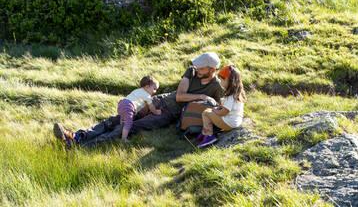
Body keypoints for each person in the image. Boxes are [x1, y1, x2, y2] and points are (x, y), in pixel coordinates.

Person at [54, 52, 223, 149]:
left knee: (129, 127)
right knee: (117, 119)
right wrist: (200, 96)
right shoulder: (191, 72)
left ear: (212, 69)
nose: (198, 69)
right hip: (158, 100)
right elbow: (180, 95)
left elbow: (218, 107)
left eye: (202, 67)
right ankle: (76, 137)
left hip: (167, 114)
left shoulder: (215, 87)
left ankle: (82, 146)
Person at [53, 75, 161, 149]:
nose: (155, 91)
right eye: (154, 89)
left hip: (123, 106)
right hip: (128, 112)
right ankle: (76, 137)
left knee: (110, 133)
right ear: (147, 87)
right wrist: (156, 112)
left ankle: (76, 143)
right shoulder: (147, 96)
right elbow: (151, 108)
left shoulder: (138, 91)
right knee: (107, 123)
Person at [197, 65, 246, 148]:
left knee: (206, 113)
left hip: (229, 123)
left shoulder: (230, 97)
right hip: (234, 121)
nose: (220, 82)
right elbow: (226, 108)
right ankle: (205, 132)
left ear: (229, 81)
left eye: (222, 79)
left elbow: (223, 112)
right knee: (210, 112)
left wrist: (214, 110)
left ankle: (208, 135)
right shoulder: (236, 94)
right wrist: (217, 108)